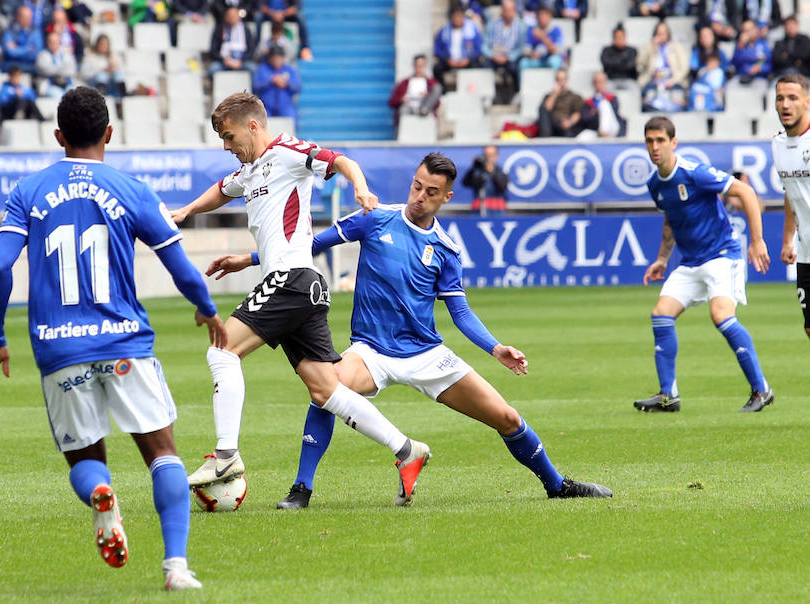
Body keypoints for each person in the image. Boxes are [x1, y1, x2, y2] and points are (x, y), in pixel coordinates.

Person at [210, 153, 612, 509]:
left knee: (506, 417)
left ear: (447, 197)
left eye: (431, 192)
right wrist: (249, 259)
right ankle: (302, 488)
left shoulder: (446, 249)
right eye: (417, 186)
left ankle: (557, 486)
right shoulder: (375, 217)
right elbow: (311, 245)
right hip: (371, 351)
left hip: (426, 354)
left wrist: (495, 348)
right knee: (327, 389)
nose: (420, 195)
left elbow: (461, 312)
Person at [0, 86, 224, 591]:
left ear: (59, 136)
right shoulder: (132, 189)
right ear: (109, 134)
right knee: (164, 454)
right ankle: (176, 569)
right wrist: (207, 309)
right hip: (124, 344)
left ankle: (101, 494)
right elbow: (182, 270)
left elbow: (1, 266)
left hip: (60, 348)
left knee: (85, 462)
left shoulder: (27, 191)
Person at [169, 93, 432, 506]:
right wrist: (185, 212)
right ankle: (406, 449)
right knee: (326, 390)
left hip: (290, 279)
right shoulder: (250, 169)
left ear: (252, 126)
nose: (226, 145)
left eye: (228, 135)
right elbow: (223, 190)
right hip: (303, 287)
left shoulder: (288, 151)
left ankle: (225, 457)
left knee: (223, 350)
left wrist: (361, 190)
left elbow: (343, 161)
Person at [635, 115, 773, 413]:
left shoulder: (695, 173)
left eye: (660, 140)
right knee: (660, 314)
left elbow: (746, 192)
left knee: (721, 315)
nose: (655, 146)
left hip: (722, 255)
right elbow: (670, 219)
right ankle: (668, 395)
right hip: (690, 262)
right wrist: (662, 258)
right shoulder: (655, 184)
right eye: (649, 140)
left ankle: (761, 389)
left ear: (673, 143)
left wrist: (757, 239)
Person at [771, 73, 810, 341]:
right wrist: (788, 239)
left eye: (793, 98)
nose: (785, 104)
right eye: (780, 98)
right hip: (806, 251)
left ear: (807, 102)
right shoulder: (777, 144)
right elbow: (791, 191)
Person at [637, 20, 688, 113]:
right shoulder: (649, 47)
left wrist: (673, 80)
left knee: (678, 96)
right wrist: (651, 47)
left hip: (672, 80)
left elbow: (684, 67)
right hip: (653, 80)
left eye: (664, 33)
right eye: (659, 33)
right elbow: (640, 64)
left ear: (668, 34)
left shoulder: (676, 47)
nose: (661, 35)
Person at [483, 0, 526, 104]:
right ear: (502, 10)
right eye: (506, 10)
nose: (508, 13)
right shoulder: (492, 25)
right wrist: (492, 55)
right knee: (484, 65)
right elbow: (484, 45)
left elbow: (521, 47)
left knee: (517, 67)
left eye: (511, 10)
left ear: (514, 11)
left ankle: (517, 93)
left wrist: (509, 56)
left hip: (511, 58)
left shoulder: (520, 26)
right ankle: (488, 94)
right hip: (494, 57)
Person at [387, 54, 442, 133]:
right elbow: (392, 101)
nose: (419, 67)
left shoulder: (431, 83)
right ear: (414, 65)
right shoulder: (404, 83)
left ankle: (423, 110)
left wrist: (427, 96)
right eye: (417, 65)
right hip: (409, 106)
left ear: (425, 66)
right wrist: (401, 99)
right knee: (403, 110)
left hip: (424, 106)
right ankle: (402, 133)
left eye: (421, 65)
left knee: (437, 87)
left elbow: (437, 103)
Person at [432, 6, 483, 88]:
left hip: (467, 61)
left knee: (479, 66)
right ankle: (442, 92)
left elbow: (479, 48)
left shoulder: (472, 29)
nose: (457, 19)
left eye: (459, 17)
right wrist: (447, 60)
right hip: (450, 61)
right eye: (455, 17)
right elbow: (437, 49)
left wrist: (468, 60)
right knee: (437, 68)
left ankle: (474, 90)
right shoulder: (444, 30)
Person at [252, 44, 300, 120]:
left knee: (291, 116)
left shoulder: (289, 69)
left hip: (285, 107)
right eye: (274, 57)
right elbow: (255, 87)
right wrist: (271, 81)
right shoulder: (262, 69)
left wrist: (286, 84)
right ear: (270, 58)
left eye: (279, 57)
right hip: (266, 107)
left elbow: (297, 87)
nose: (277, 60)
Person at [209, 5, 256, 79]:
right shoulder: (219, 30)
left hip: (242, 61)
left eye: (234, 15)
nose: (232, 18)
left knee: (252, 68)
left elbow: (251, 50)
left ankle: (251, 90)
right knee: (213, 69)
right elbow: (213, 50)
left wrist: (240, 61)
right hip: (223, 61)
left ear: (239, 16)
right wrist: (225, 60)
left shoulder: (246, 30)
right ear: (225, 17)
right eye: (229, 15)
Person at [537, 68, 583, 138]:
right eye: (558, 79)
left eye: (563, 79)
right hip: (551, 124)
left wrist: (569, 122)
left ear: (567, 80)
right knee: (542, 108)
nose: (561, 82)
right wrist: (555, 94)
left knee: (569, 133)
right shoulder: (549, 96)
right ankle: (545, 138)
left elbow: (577, 113)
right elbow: (546, 109)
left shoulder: (574, 96)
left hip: (566, 124)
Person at [580, 71, 625, 138]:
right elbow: (585, 118)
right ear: (593, 83)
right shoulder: (588, 102)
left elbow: (614, 113)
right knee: (582, 137)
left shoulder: (612, 98)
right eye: (597, 82)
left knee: (604, 104)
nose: (600, 84)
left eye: (602, 81)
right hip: (596, 130)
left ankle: (604, 132)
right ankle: (602, 133)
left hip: (613, 128)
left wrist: (595, 112)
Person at [518, 6, 564, 72]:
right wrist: (532, 54)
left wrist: (543, 37)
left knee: (554, 61)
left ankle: (553, 81)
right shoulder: (532, 30)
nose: (542, 17)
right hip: (536, 60)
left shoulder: (556, 30)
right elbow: (525, 49)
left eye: (545, 15)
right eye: (540, 15)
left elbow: (556, 51)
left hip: (549, 58)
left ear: (550, 16)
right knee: (523, 63)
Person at [79, 33, 126, 98]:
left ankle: (122, 96)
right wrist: (100, 69)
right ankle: (101, 96)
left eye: (106, 44)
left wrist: (113, 70)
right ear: (97, 44)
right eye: (102, 44)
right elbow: (84, 74)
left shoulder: (113, 56)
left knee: (119, 74)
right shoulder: (89, 56)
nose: (104, 46)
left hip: (110, 84)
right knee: (102, 75)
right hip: (95, 85)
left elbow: (122, 71)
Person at [462, 145, 508, 210]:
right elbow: (465, 183)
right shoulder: (478, 171)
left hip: (497, 209)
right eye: (486, 155)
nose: (489, 158)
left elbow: (502, 187)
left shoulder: (501, 171)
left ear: (497, 156)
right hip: (478, 209)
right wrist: (474, 167)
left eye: (491, 155)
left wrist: (492, 172)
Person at [2, 4, 43, 74]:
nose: (27, 20)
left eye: (29, 17)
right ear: (18, 17)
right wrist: (28, 49)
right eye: (24, 17)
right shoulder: (9, 32)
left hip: (30, 66)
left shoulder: (36, 32)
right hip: (12, 66)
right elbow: (10, 52)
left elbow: (37, 52)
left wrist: (17, 49)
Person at [36, 31, 76, 98]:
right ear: (47, 42)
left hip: (67, 83)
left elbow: (72, 70)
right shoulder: (42, 55)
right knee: (57, 95)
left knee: (73, 94)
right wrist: (62, 68)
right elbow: (46, 71)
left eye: (56, 42)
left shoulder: (67, 54)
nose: (53, 44)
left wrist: (55, 68)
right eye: (51, 42)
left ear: (59, 42)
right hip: (50, 84)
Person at [731, 18, 771, 83]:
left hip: (759, 78)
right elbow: (735, 64)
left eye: (749, 30)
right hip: (741, 77)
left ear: (756, 29)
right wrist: (740, 46)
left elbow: (770, 65)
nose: (747, 33)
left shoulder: (764, 45)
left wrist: (760, 69)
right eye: (744, 31)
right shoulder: (740, 45)